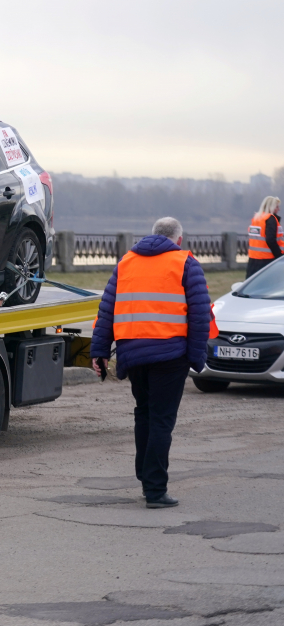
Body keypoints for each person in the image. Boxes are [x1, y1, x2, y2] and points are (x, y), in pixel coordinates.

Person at [90, 217, 210, 509]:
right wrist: (197, 358)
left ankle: (146, 480)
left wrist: (100, 351)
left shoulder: (126, 262)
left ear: (152, 234)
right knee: (161, 420)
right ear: (178, 240)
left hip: (133, 354)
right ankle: (156, 490)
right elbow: (199, 316)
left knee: (144, 414)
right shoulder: (186, 263)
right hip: (170, 355)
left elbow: (107, 310)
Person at [246, 196, 283, 278]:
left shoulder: (256, 218)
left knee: (253, 282)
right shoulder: (270, 219)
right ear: (271, 207)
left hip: (253, 259)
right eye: (277, 207)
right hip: (267, 260)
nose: (279, 209)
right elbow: (270, 240)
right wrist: (279, 256)